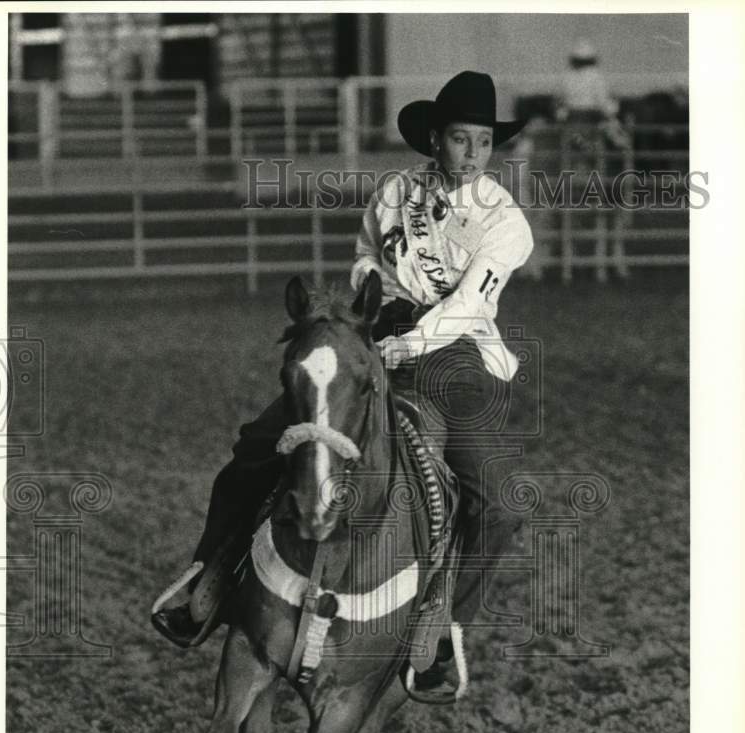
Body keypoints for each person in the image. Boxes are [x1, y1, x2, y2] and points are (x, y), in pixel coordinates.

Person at [152, 71, 534, 699]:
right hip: (375, 338)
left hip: (452, 357)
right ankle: (208, 581)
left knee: (500, 500)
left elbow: (469, 305)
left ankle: (442, 636)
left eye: (485, 142)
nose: (473, 155)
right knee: (255, 447)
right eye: (461, 140)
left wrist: (404, 340)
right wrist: (373, 304)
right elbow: (365, 257)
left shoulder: (506, 222)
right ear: (435, 139)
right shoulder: (394, 192)